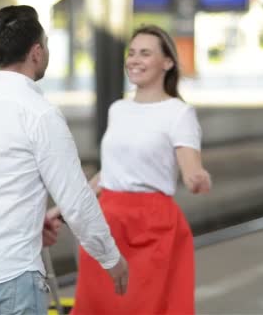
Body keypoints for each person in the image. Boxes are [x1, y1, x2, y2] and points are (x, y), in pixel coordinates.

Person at [0, 5, 128, 315]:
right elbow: (76, 200)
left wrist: (30, 221)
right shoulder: (40, 114)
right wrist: (110, 258)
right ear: (36, 52)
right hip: (7, 274)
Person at [70, 25, 212, 314]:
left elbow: (191, 169)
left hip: (153, 226)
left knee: (143, 306)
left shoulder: (179, 113)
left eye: (145, 53)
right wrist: (67, 207)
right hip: (106, 224)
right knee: (98, 305)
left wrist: (198, 179)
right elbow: (110, 172)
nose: (134, 60)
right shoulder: (118, 109)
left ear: (167, 63)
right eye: (131, 53)